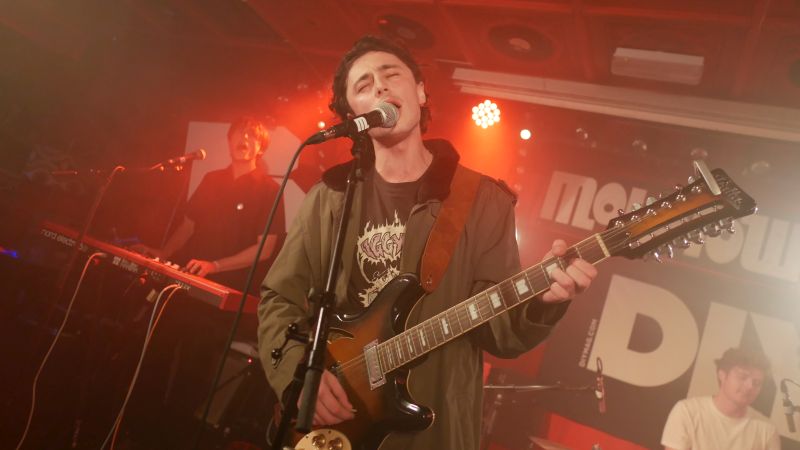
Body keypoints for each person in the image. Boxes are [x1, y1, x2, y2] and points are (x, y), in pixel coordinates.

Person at [257, 35, 597, 450]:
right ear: (353, 114)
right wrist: (298, 376)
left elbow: (501, 333)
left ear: (420, 92)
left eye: (391, 75)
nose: (379, 87)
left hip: (431, 429)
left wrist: (544, 303)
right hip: (334, 422)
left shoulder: (482, 200)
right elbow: (280, 298)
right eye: (363, 85)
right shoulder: (330, 197)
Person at [136, 116, 285, 291]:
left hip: (230, 287)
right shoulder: (212, 179)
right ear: (229, 142)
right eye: (239, 132)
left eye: (251, 135)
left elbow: (265, 249)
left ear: (261, 148)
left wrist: (215, 266)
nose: (244, 137)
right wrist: (163, 254)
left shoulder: (270, 190)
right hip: (189, 276)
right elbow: (188, 226)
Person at [661, 347, 781, 450]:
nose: (750, 386)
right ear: (722, 375)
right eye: (742, 377)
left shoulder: (767, 429)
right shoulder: (687, 411)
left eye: (757, 383)